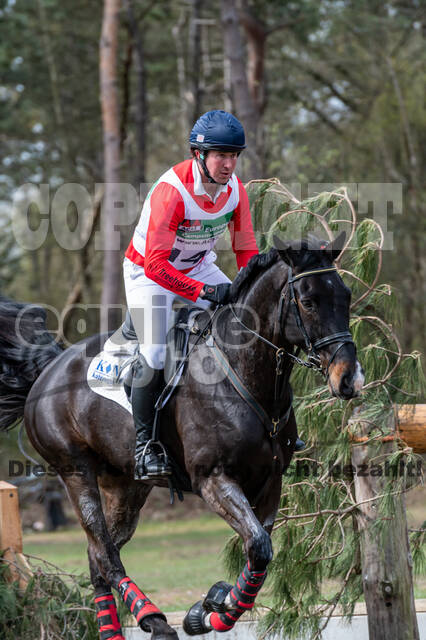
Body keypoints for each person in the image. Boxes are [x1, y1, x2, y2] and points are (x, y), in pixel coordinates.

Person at [124, 109, 304, 481]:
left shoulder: (235, 190)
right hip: (148, 273)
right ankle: (145, 447)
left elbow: (246, 250)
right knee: (155, 351)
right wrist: (205, 290)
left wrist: (256, 291)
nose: (228, 164)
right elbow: (157, 266)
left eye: (234, 155)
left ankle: (281, 426)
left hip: (198, 265)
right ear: (198, 155)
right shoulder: (171, 193)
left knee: (253, 327)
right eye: (221, 155)